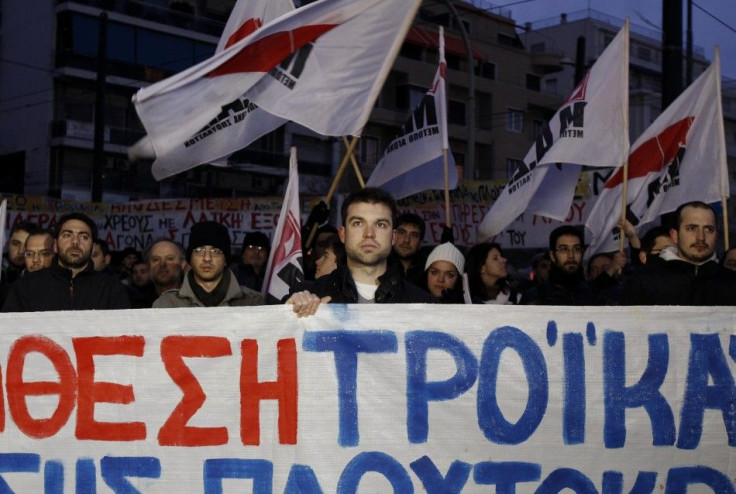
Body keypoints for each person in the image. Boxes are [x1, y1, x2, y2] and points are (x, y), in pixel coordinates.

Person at [287, 187, 436, 317]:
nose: (369, 233)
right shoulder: (310, 294)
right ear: (343, 234)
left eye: (381, 224)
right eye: (358, 223)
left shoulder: (425, 306)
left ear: (393, 237)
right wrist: (286, 315)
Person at [2, 213, 130, 312]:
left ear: (92, 247)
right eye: (67, 235)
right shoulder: (26, 287)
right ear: (56, 246)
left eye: (84, 237)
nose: (75, 242)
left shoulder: (112, 289)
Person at [621, 201, 736, 305]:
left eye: (708, 229)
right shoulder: (644, 281)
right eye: (692, 228)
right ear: (675, 235)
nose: (701, 237)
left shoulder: (732, 283)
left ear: (716, 236)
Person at [154, 221, 263, 307]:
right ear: (190, 259)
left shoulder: (253, 302)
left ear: (226, 260)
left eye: (216, 251)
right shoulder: (166, 305)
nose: (207, 258)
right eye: (200, 250)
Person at [520, 225, 600, 305]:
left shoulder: (594, 295)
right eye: (564, 249)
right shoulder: (535, 297)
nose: (571, 256)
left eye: (576, 249)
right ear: (552, 255)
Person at [392, 213, 426, 285]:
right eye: (402, 232)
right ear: (393, 236)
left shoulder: (427, 273)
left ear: (420, 243)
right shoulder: (379, 267)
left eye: (414, 235)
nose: (407, 240)